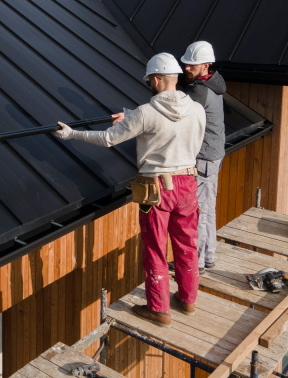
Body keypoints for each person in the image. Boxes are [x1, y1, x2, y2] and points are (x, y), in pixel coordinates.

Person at [55, 53, 205, 326]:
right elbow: (170, 124)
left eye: (150, 80)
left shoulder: (147, 113)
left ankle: (159, 309)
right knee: (187, 244)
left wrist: (71, 134)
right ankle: (188, 300)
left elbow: (108, 138)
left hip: (158, 188)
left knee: (156, 248)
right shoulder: (197, 109)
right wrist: (132, 115)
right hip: (188, 184)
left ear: (157, 79)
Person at [178, 41, 225, 275]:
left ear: (205, 65)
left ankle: (195, 265)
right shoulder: (213, 82)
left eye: (191, 65)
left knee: (199, 211)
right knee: (208, 209)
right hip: (212, 156)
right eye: (185, 63)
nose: (185, 68)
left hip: (204, 158)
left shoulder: (200, 92)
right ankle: (207, 257)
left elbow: (176, 108)